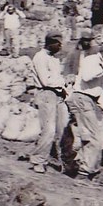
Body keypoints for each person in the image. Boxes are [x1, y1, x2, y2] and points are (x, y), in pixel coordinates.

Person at [66, 43, 103, 177]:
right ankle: (85, 170)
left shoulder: (102, 66)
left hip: (89, 100)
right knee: (94, 137)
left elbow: (99, 91)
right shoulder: (92, 60)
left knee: (87, 135)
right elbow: (87, 77)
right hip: (82, 98)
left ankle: (79, 164)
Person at [29, 33, 70, 174]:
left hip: (57, 94)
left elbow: (57, 78)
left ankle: (56, 157)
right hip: (46, 94)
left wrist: (63, 87)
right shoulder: (40, 57)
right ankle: (38, 160)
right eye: (58, 44)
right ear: (50, 43)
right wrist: (63, 82)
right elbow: (46, 81)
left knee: (62, 128)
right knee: (49, 130)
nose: (60, 47)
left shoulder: (53, 59)